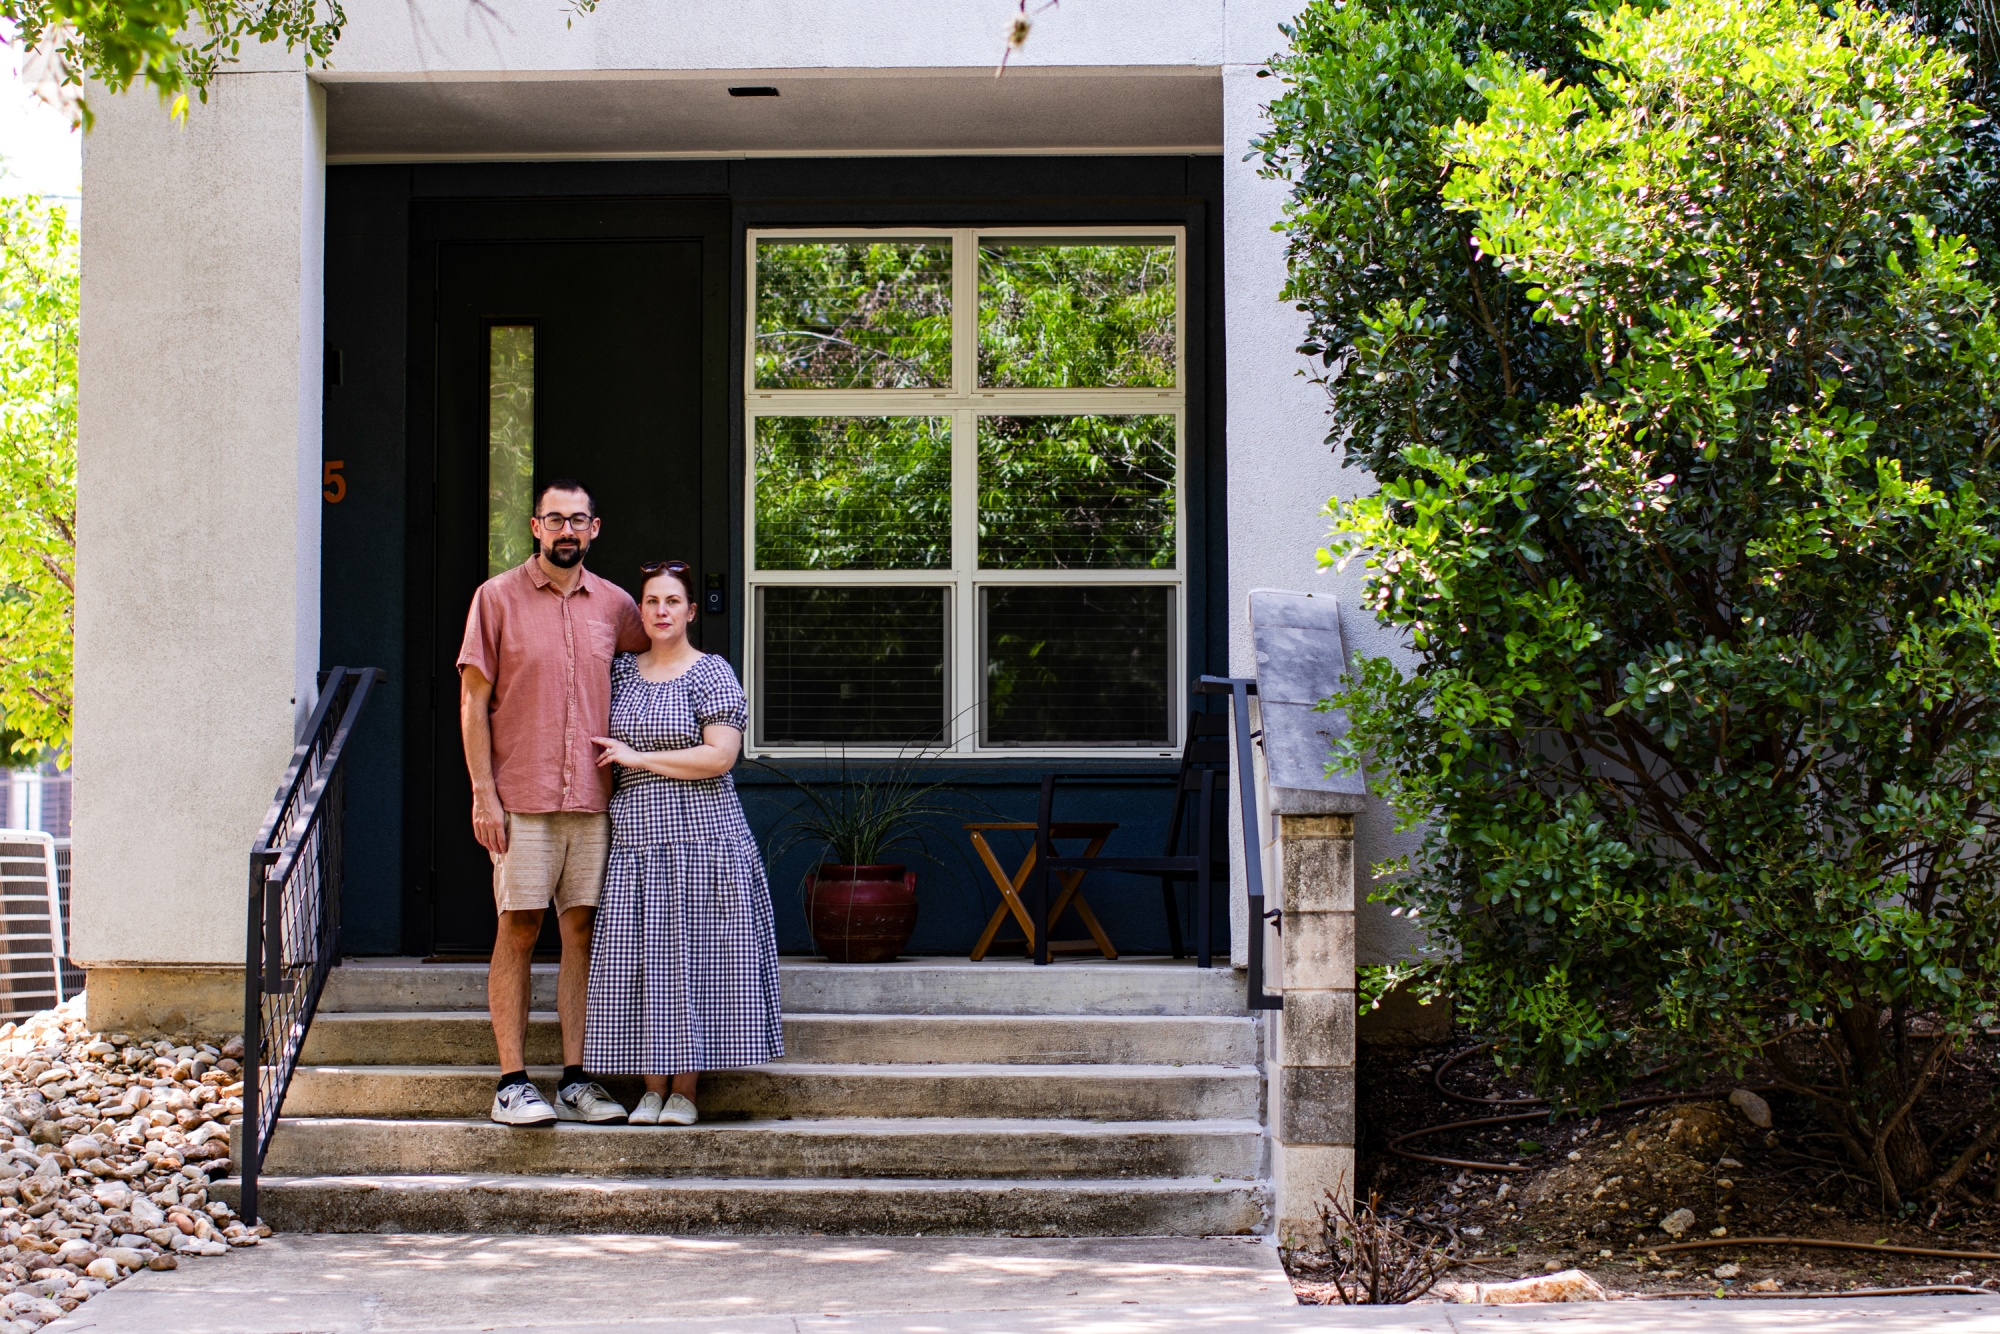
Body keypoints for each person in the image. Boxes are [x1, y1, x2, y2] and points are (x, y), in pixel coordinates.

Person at [458, 479, 649, 1128]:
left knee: (583, 933)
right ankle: (512, 1083)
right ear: (536, 527)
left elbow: (656, 672)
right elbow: (472, 703)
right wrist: (484, 793)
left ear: (595, 529)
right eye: (555, 520)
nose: (567, 531)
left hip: (594, 802)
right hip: (523, 799)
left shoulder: (619, 607)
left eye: (579, 521)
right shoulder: (497, 600)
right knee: (518, 929)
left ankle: (575, 1078)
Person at [585, 560, 783, 1126]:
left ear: (691, 611)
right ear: (640, 612)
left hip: (703, 838)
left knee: (696, 958)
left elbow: (720, 756)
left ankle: (686, 1092)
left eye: (672, 601)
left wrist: (639, 757)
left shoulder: (710, 673)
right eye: (651, 602)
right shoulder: (621, 672)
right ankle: (651, 1089)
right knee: (647, 961)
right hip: (639, 841)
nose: (662, 611)